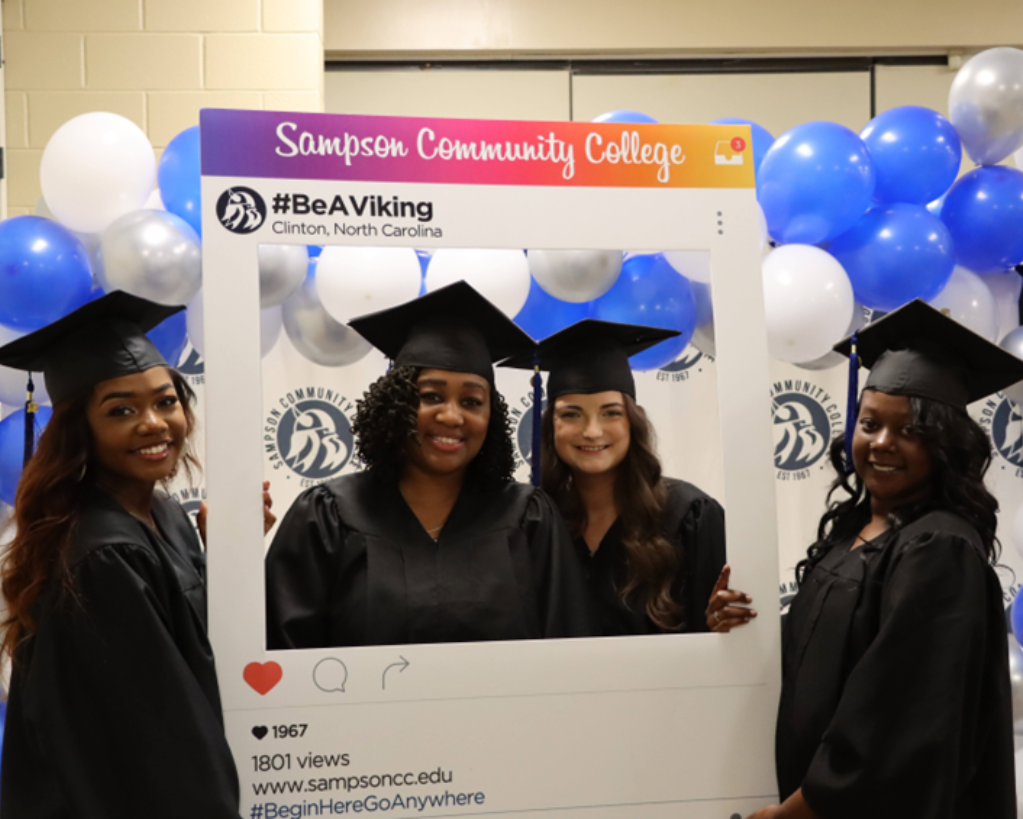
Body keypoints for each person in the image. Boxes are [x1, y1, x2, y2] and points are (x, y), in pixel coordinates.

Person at [0, 292, 268, 819]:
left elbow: (187, 647)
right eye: (122, 409)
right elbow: (165, 733)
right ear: (82, 429)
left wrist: (227, 555)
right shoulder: (104, 554)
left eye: (165, 401)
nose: (154, 423)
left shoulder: (163, 515)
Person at [750, 300, 1019, 819]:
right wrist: (739, 624)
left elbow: (899, 717)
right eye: (869, 424)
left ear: (947, 444)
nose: (882, 444)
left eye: (911, 431)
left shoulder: (938, 548)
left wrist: (800, 810)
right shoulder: (854, 534)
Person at [265, 282, 596, 648]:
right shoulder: (328, 516)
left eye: (472, 402)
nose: (452, 416)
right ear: (396, 403)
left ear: (492, 416)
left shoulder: (528, 518)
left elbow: (568, 651)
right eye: (431, 396)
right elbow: (285, 653)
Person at [502, 319, 754, 635]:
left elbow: (727, 637)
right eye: (571, 414)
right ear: (550, 425)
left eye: (611, 413)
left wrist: (726, 623)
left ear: (634, 422)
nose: (592, 431)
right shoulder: (534, 524)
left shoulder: (690, 516)